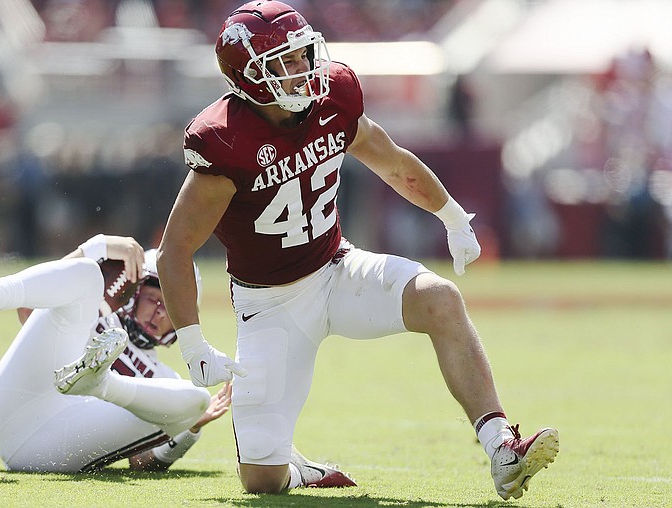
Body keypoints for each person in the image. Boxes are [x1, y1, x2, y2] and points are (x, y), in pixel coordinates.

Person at [155, 0, 558, 500]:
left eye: (303, 54)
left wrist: (452, 215)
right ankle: (299, 469)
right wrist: (192, 344)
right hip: (270, 305)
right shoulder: (226, 140)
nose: (303, 70)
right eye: (286, 61)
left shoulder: (332, 99)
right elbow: (175, 249)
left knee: (440, 297)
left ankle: (503, 448)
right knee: (261, 481)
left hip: (336, 267)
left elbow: (391, 162)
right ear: (250, 76)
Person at [0, 231, 230, 472]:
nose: (159, 315)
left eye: (169, 310)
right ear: (136, 288)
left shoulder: (162, 377)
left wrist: (190, 429)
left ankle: (99, 383)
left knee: (196, 398)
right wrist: (98, 246)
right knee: (88, 274)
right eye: (154, 299)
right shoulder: (98, 308)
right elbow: (28, 310)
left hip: (51, 445)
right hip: (13, 399)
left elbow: (142, 461)